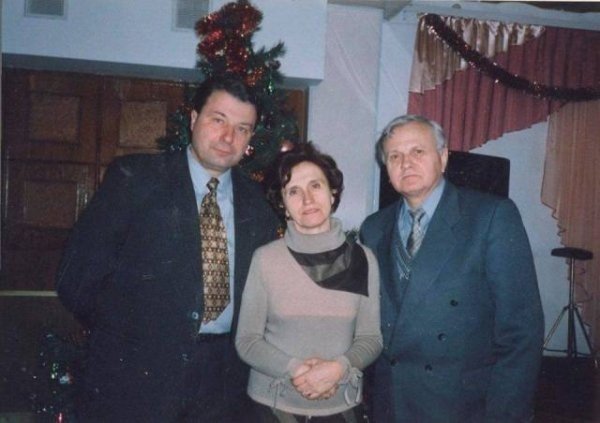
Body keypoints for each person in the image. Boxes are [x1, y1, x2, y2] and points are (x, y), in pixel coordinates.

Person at [55, 75, 280, 422]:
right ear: (194, 118)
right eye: (218, 120)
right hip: (136, 377)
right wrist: (130, 339)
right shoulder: (136, 179)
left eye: (242, 129)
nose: (228, 137)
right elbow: (77, 279)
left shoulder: (258, 205)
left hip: (222, 384)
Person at [360, 115, 544, 423]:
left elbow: (521, 331)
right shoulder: (374, 228)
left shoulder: (491, 217)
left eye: (418, 151)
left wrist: (504, 415)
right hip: (391, 402)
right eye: (394, 156)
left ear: (443, 157)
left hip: (461, 405)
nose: (406, 163)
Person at [235, 142, 383, 422]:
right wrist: (297, 370)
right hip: (271, 405)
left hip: (340, 406)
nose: (307, 199)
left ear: (332, 192)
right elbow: (247, 341)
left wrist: (338, 369)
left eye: (315, 185)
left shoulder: (363, 259)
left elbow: (371, 339)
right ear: (283, 204)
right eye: (294, 191)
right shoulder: (266, 259)